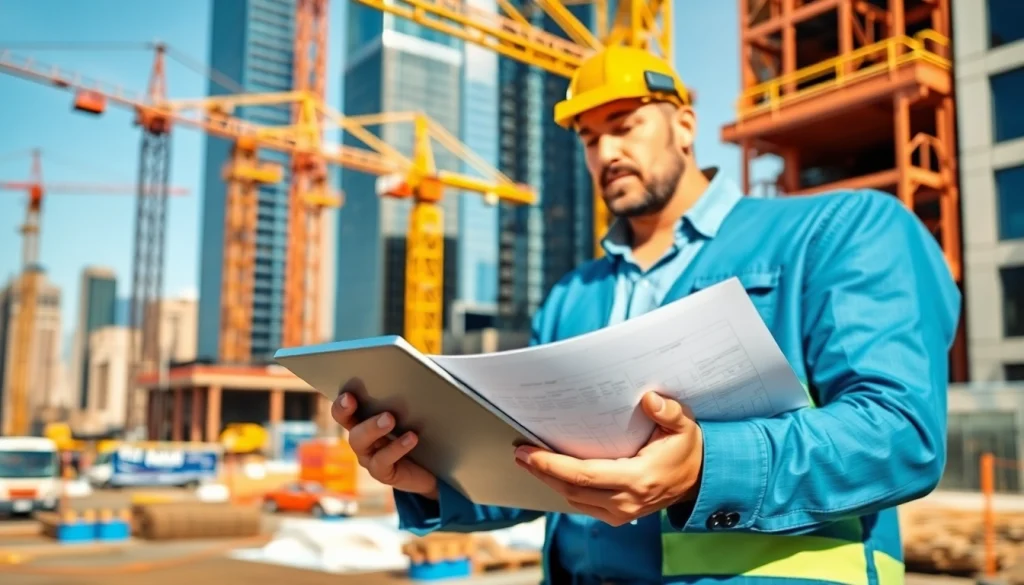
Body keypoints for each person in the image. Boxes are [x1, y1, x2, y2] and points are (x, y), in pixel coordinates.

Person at [332, 45, 961, 585]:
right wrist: (429, 476)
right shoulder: (572, 297)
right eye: (589, 138)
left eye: (625, 125)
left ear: (685, 125)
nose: (606, 151)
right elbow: (536, 473)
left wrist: (706, 466)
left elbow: (900, 434)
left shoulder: (839, 231)